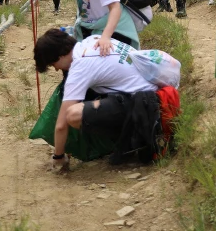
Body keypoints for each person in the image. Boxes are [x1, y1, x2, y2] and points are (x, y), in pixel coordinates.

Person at [34, 28, 165, 170]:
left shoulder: (80, 66)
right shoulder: (92, 40)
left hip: (146, 106)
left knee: (73, 114)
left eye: (53, 65)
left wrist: (58, 158)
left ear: (59, 56)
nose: (56, 69)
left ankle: (131, 140)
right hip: (152, 93)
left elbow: (61, 125)